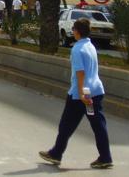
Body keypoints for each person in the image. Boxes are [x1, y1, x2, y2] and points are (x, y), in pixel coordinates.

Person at [39, 18, 113, 169]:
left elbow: (80, 73)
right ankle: (105, 157)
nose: (72, 31)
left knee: (66, 124)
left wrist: (81, 93)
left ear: (77, 32)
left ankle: (56, 154)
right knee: (98, 125)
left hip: (81, 95)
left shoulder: (77, 49)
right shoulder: (90, 45)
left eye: (73, 29)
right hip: (95, 91)